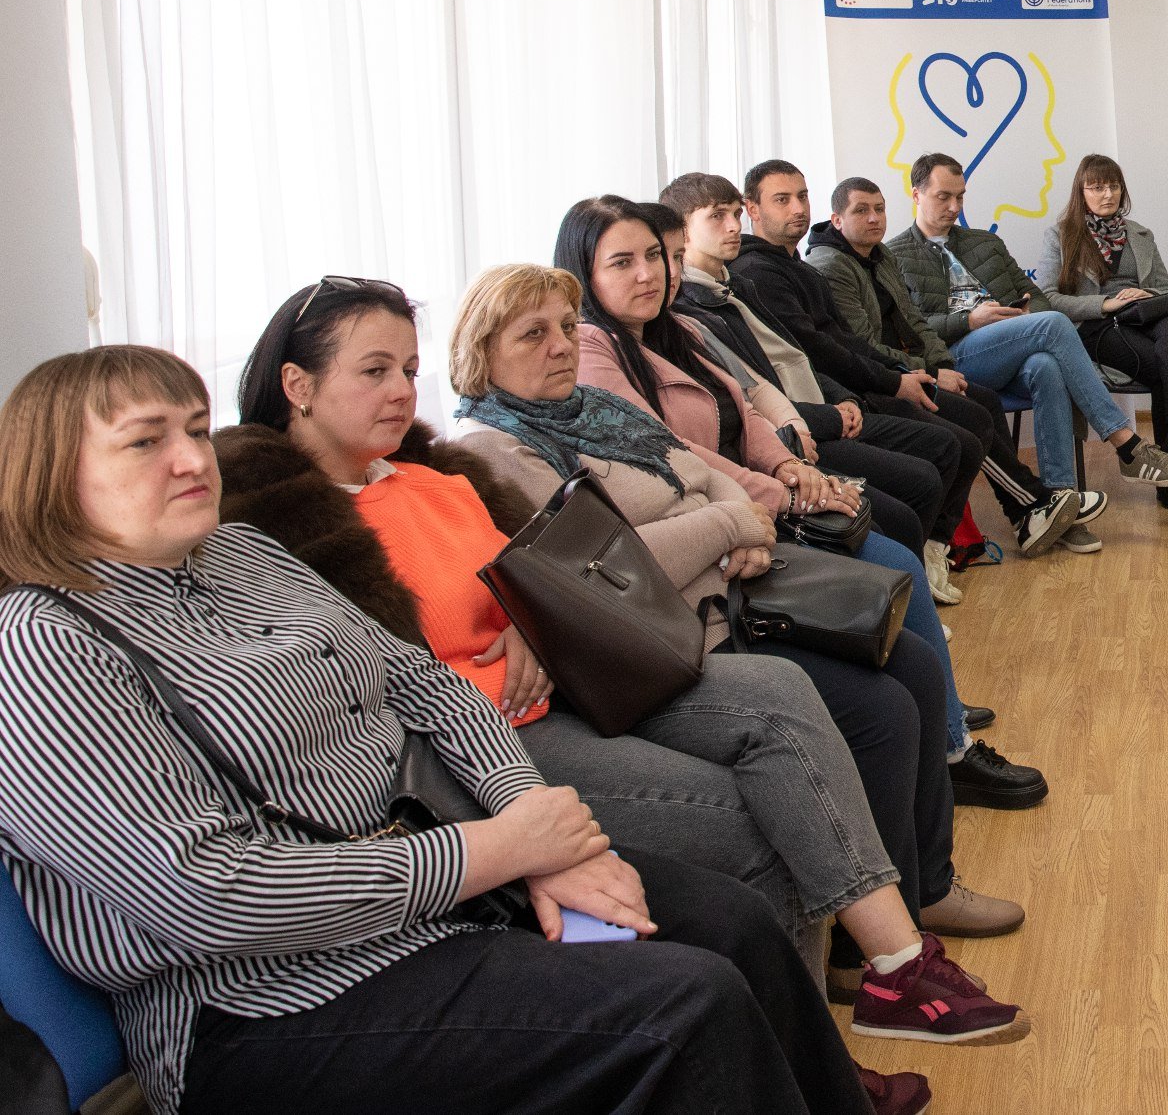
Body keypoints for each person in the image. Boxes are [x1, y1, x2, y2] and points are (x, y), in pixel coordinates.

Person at [0, 345, 925, 1115]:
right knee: (683, 1007)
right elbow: (209, 895)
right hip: (265, 1005)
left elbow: (426, 686)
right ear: (51, 475)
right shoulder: (42, 642)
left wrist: (533, 825)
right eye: (146, 441)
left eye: (197, 430)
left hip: (444, 892)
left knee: (733, 922)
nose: (191, 460)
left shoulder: (242, 553)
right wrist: (498, 852)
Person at [218, 278, 1026, 1047]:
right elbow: (360, 690)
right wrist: (550, 615)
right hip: (483, 741)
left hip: (575, 674)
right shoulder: (274, 529)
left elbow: (546, 577)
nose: (401, 391)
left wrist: (532, 624)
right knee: (756, 809)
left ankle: (892, 968)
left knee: (783, 692)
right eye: (375, 371)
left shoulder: (432, 476)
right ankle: (808, 1056)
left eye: (407, 369)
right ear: (297, 385)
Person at [447, 263, 1025, 941]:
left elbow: (702, 472)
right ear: (481, 352)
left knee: (916, 664)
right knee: (881, 711)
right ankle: (863, 938)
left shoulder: (597, 408)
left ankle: (928, 885)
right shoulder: (494, 450)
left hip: (733, 593)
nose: (561, 345)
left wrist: (740, 520)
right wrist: (729, 526)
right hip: (669, 641)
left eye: (568, 328)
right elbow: (604, 567)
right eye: (533, 334)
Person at [556, 198, 1044, 814]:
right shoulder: (593, 349)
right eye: (623, 262)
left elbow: (746, 405)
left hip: (759, 494)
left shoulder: (675, 329)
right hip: (719, 531)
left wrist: (791, 465)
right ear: (583, 273)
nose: (650, 274)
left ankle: (944, 734)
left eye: (655, 256)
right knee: (895, 558)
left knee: (900, 552)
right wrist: (785, 491)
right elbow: (676, 453)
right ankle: (947, 746)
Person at [688, 169, 981, 594]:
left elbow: (808, 354)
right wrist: (850, 404)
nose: (733, 226)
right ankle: (905, 594)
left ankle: (932, 562)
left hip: (824, 409)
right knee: (924, 475)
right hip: (796, 438)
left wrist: (852, 396)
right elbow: (766, 388)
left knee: (959, 435)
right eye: (782, 199)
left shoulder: (741, 285)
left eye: (802, 196)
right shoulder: (736, 286)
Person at [888, 153, 1168, 528]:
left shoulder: (985, 242)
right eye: (944, 197)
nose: (955, 207)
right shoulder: (893, 256)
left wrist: (1025, 315)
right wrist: (969, 319)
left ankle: (1061, 505)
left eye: (961, 196)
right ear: (916, 194)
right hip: (954, 356)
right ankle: (1128, 445)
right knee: (1052, 323)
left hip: (1009, 345)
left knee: (1046, 365)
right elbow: (910, 329)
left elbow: (1035, 295)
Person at [806, 175, 1084, 556]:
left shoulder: (880, 256)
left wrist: (940, 365)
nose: (874, 218)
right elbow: (863, 347)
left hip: (906, 368)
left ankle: (1031, 511)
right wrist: (931, 372)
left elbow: (914, 321)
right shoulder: (830, 265)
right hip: (876, 382)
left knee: (996, 394)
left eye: (880, 209)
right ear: (837, 220)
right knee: (973, 421)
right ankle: (1030, 504)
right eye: (861, 211)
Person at [1036, 154, 1168, 511]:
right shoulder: (1060, 235)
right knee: (1166, 362)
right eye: (1097, 187)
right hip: (1099, 326)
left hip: (1145, 315)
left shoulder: (1140, 234)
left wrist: (1146, 293)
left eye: (1114, 186)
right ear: (1081, 191)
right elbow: (1047, 300)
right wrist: (1105, 304)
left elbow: (1167, 290)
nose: (1108, 194)